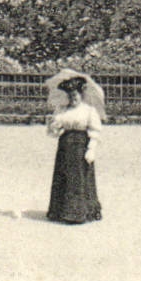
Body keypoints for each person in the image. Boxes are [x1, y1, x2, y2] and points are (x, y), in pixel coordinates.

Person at [46, 73, 103, 224]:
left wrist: (91, 149)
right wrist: (54, 126)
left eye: (76, 95)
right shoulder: (62, 110)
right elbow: (54, 133)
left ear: (81, 95)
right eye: (70, 96)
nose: (73, 98)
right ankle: (61, 211)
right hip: (65, 146)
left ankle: (79, 213)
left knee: (78, 178)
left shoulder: (88, 111)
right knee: (63, 177)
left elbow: (95, 131)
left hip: (80, 146)